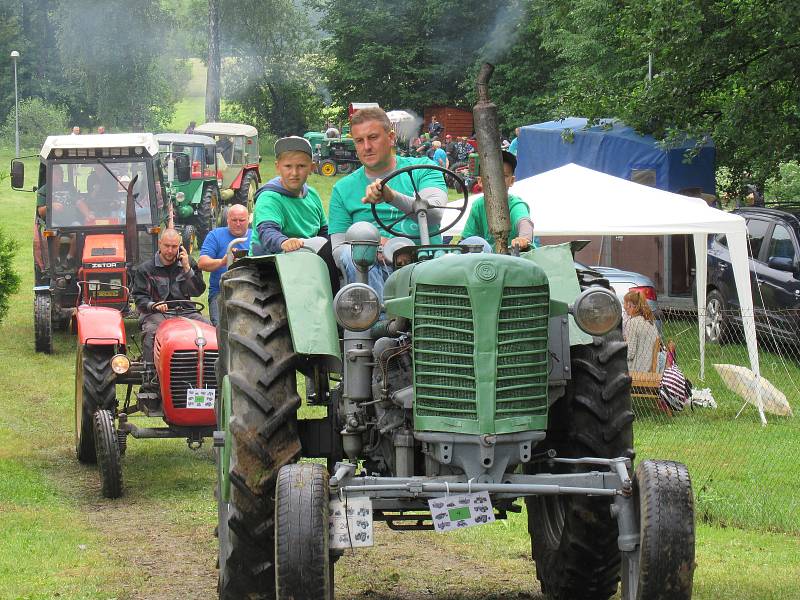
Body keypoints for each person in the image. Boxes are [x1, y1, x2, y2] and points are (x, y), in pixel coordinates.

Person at [329, 107, 447, 299]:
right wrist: (372, 247)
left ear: (391, 137)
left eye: (373, 137)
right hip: (372, 271)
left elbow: (434, 214)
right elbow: (338, 251)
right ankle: (379, 322)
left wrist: (391, 197)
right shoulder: (343, 189)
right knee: (353, 254)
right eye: (359, 140)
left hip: (428, 267)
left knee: (478, 246)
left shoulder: (424, 169)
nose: (366, 147)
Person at [132, 228, 207, 366]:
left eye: (174, 246)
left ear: (180, 247)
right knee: (151, 332)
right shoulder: (145, 269)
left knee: (208, 329)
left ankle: (209, 374)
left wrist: (187, 269)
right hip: (156, 314)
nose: (170, 250)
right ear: (160, 243)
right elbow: (139, 298)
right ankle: (150, 375)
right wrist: (153, 305)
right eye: (167, 246)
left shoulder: (188, 263)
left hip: (186, 312)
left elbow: (198, 291)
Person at [460, 150, 535, 252]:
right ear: (480, 181)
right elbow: (467, 239)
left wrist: (524, 238)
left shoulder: (516, 205)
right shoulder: (478, 206)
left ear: (511, 181)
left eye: (503, 176)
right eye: (491, 175)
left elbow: (524, 222)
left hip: (515, 259)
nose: (497, 180)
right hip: (486, 262)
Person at [198, 204, 251, 326]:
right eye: (234, 220)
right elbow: (202, 263)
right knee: (221, 329)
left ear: (248, 220)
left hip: (251, 291)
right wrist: (222, 261)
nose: (238, 223)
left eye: (242, 220)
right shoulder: (215, 235)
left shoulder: (256, 237)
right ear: (227, 220)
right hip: (221, 293)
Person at [622, 290, 660, 373]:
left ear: (630, 305)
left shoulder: (632, 323)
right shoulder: (650, 322)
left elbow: (630, 354)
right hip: (652, 370)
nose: (623, 306)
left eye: (624, 303)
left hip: (637, 370)